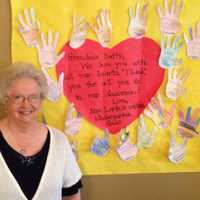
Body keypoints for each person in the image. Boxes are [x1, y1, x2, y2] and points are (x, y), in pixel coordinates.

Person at [0, 62, 82, 200]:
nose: (26, 104)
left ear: (41, 100)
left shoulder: (59, 141)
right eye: (18, 97)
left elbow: (72, 194)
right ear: (5, 100)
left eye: (33, 97)